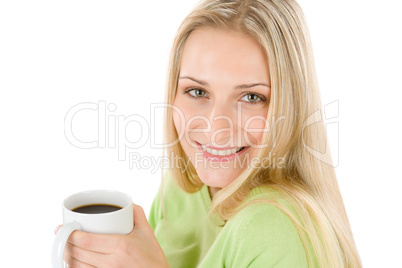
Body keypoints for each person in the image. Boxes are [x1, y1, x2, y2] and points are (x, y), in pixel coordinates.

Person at [62, 0, 362, 267]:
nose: (216, 128)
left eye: (252, 97)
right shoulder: (183, 188)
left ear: (291, 107)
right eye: (197, 91)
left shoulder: (276, 229)